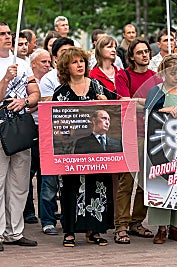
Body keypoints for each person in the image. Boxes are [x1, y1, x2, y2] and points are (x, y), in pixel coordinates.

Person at [52, 47, 113, 247]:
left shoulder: (96, 86)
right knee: (70, 189)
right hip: (71, 153)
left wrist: (106, 101)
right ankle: (69, 232)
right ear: (65, 67)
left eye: (82, 62)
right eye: (74, 62)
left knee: (97, 188)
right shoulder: (61, 92)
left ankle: (93, 230)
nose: (79, 65)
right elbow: (55, 123)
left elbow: (116, 103)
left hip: (96, 152)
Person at [114, 38, 161, 244]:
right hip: (131, 133)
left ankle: (136, 222)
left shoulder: (155, 77)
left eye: (147, 52)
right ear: (131, 56)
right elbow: (124, 102)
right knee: (127, 181)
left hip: (152, 134)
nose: (145, 55)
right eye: (140, 52)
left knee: (145, 182)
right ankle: (121, 225)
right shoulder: (122, 75)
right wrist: (145, 102)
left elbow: (159, 103)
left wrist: (138, 101)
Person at [0, 21, 40, 251]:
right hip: (0, 127)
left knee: (20, 182)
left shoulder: (23, 63)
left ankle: (14, 232)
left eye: (9, 33)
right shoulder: (9, 67)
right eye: (2, 34)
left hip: (20, 127)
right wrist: (5, 79)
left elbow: (35, 92)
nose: (7, 37)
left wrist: (25, 101)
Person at [145, 54, 177, 244]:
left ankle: (176, 227)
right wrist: (162, 111)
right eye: (173, 73)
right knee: (162, 183)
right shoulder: (155, 91)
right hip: (161, 146)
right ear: (164, 73)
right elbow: (147, 115)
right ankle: (161, 228)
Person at [39, 37, 74, 235]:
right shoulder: (49, 79)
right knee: (50, 182)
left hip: (75, 138)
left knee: (71, 182)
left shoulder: (81, 78)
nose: (70, 58)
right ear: (54, 58)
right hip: (53, 136)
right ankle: (48, 219)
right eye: (64, 53)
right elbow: (47, 106)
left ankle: (71, 219)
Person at [22, 48, 52, 226]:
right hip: (30, 128)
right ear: (33, 63)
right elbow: (26, 104)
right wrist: (38, 101)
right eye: (43, 62)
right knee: (27, 173)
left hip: (46, 129)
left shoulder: (51, 79)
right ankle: (28, 211)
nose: (48, 65)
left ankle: (46, 212)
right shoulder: (27, 79)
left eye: (49, 61)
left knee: (45, 173)